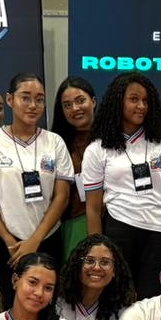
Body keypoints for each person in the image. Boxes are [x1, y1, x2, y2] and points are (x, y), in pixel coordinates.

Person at [82, 72, 161, 298]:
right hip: (120, 229)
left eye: (146, 101)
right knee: (119, 299)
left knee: (152, 300)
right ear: (118, 101)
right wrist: (97, 249)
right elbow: (93, 207)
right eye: (134, 99)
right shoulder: (97, 148)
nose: (141, 106)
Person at [0, 72, 73, 298]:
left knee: (43, 302)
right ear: (10, 99)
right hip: (5, 243)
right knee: (4, 301)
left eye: (39, 99)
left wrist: (35, 240)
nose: (33, 105)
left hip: (47, 239)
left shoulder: (54, 141)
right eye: (25, 98)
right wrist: (8, 239)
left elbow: (62, 196)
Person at [56, 234, 136, 320]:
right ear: (78, 265)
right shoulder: (56, 302)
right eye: (89, 261)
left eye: (105, 262)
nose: (97, 267)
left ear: (114, 270)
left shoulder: (120, 311)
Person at [53, 76, 98, 258]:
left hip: (114, 218)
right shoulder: (57, 143)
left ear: (93, 101)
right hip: (74, 222)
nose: (75, 108)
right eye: (67, 105)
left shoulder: (113, 138)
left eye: (80, 101)